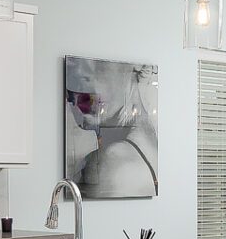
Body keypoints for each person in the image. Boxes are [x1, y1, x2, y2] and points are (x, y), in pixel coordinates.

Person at [65, 58, 159, 198]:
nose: (80, 73)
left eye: (98, 68)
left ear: (135, 70)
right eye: (75, 66)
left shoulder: (113, 162)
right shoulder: (150, 144)